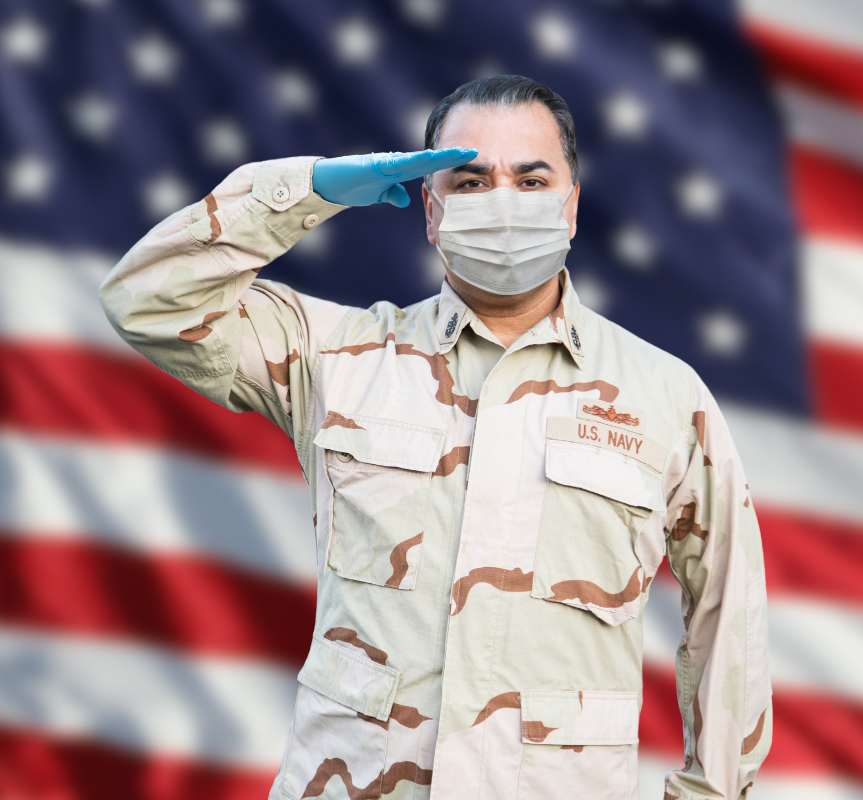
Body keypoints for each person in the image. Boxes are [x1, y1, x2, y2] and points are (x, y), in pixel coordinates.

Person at [98, 73, 772, 800]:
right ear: (431, 209)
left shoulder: (664, 396)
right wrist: (309, 189)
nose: (503, 200)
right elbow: (148, 301)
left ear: (571, 205)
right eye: (471, 182)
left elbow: (728, 613)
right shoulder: (340, 356)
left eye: (531, 180)